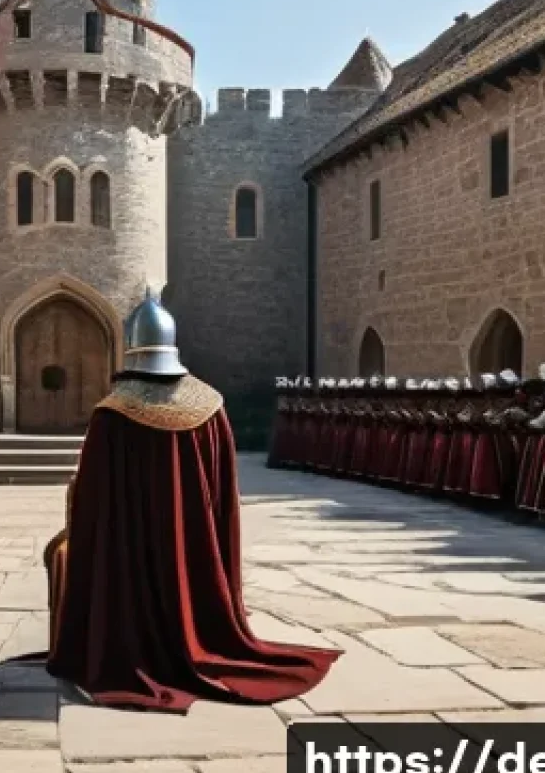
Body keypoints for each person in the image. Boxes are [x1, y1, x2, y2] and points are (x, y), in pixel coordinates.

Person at [43, 290, 341, 713]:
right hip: (195, 544)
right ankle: (202, 632)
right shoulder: (212, 407)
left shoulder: (111, 416)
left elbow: (94, 507)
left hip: (134, 557)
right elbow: (222, 497)